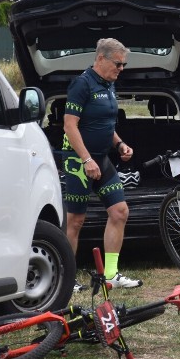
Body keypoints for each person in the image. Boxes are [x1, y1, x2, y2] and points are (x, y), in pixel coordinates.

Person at [63, 38, 142, 289]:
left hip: (102, 158)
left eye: (123, 65)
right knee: (75, 220)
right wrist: (86, 159)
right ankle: (65, 278)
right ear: (100, 59)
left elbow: (105, 125)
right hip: (78, 160)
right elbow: (69, 125)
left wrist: (119, 144)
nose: (121, 69)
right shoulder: (82, 84)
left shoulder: (109, 85)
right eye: (117, 64)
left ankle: (110, 274)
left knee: (120, 212)